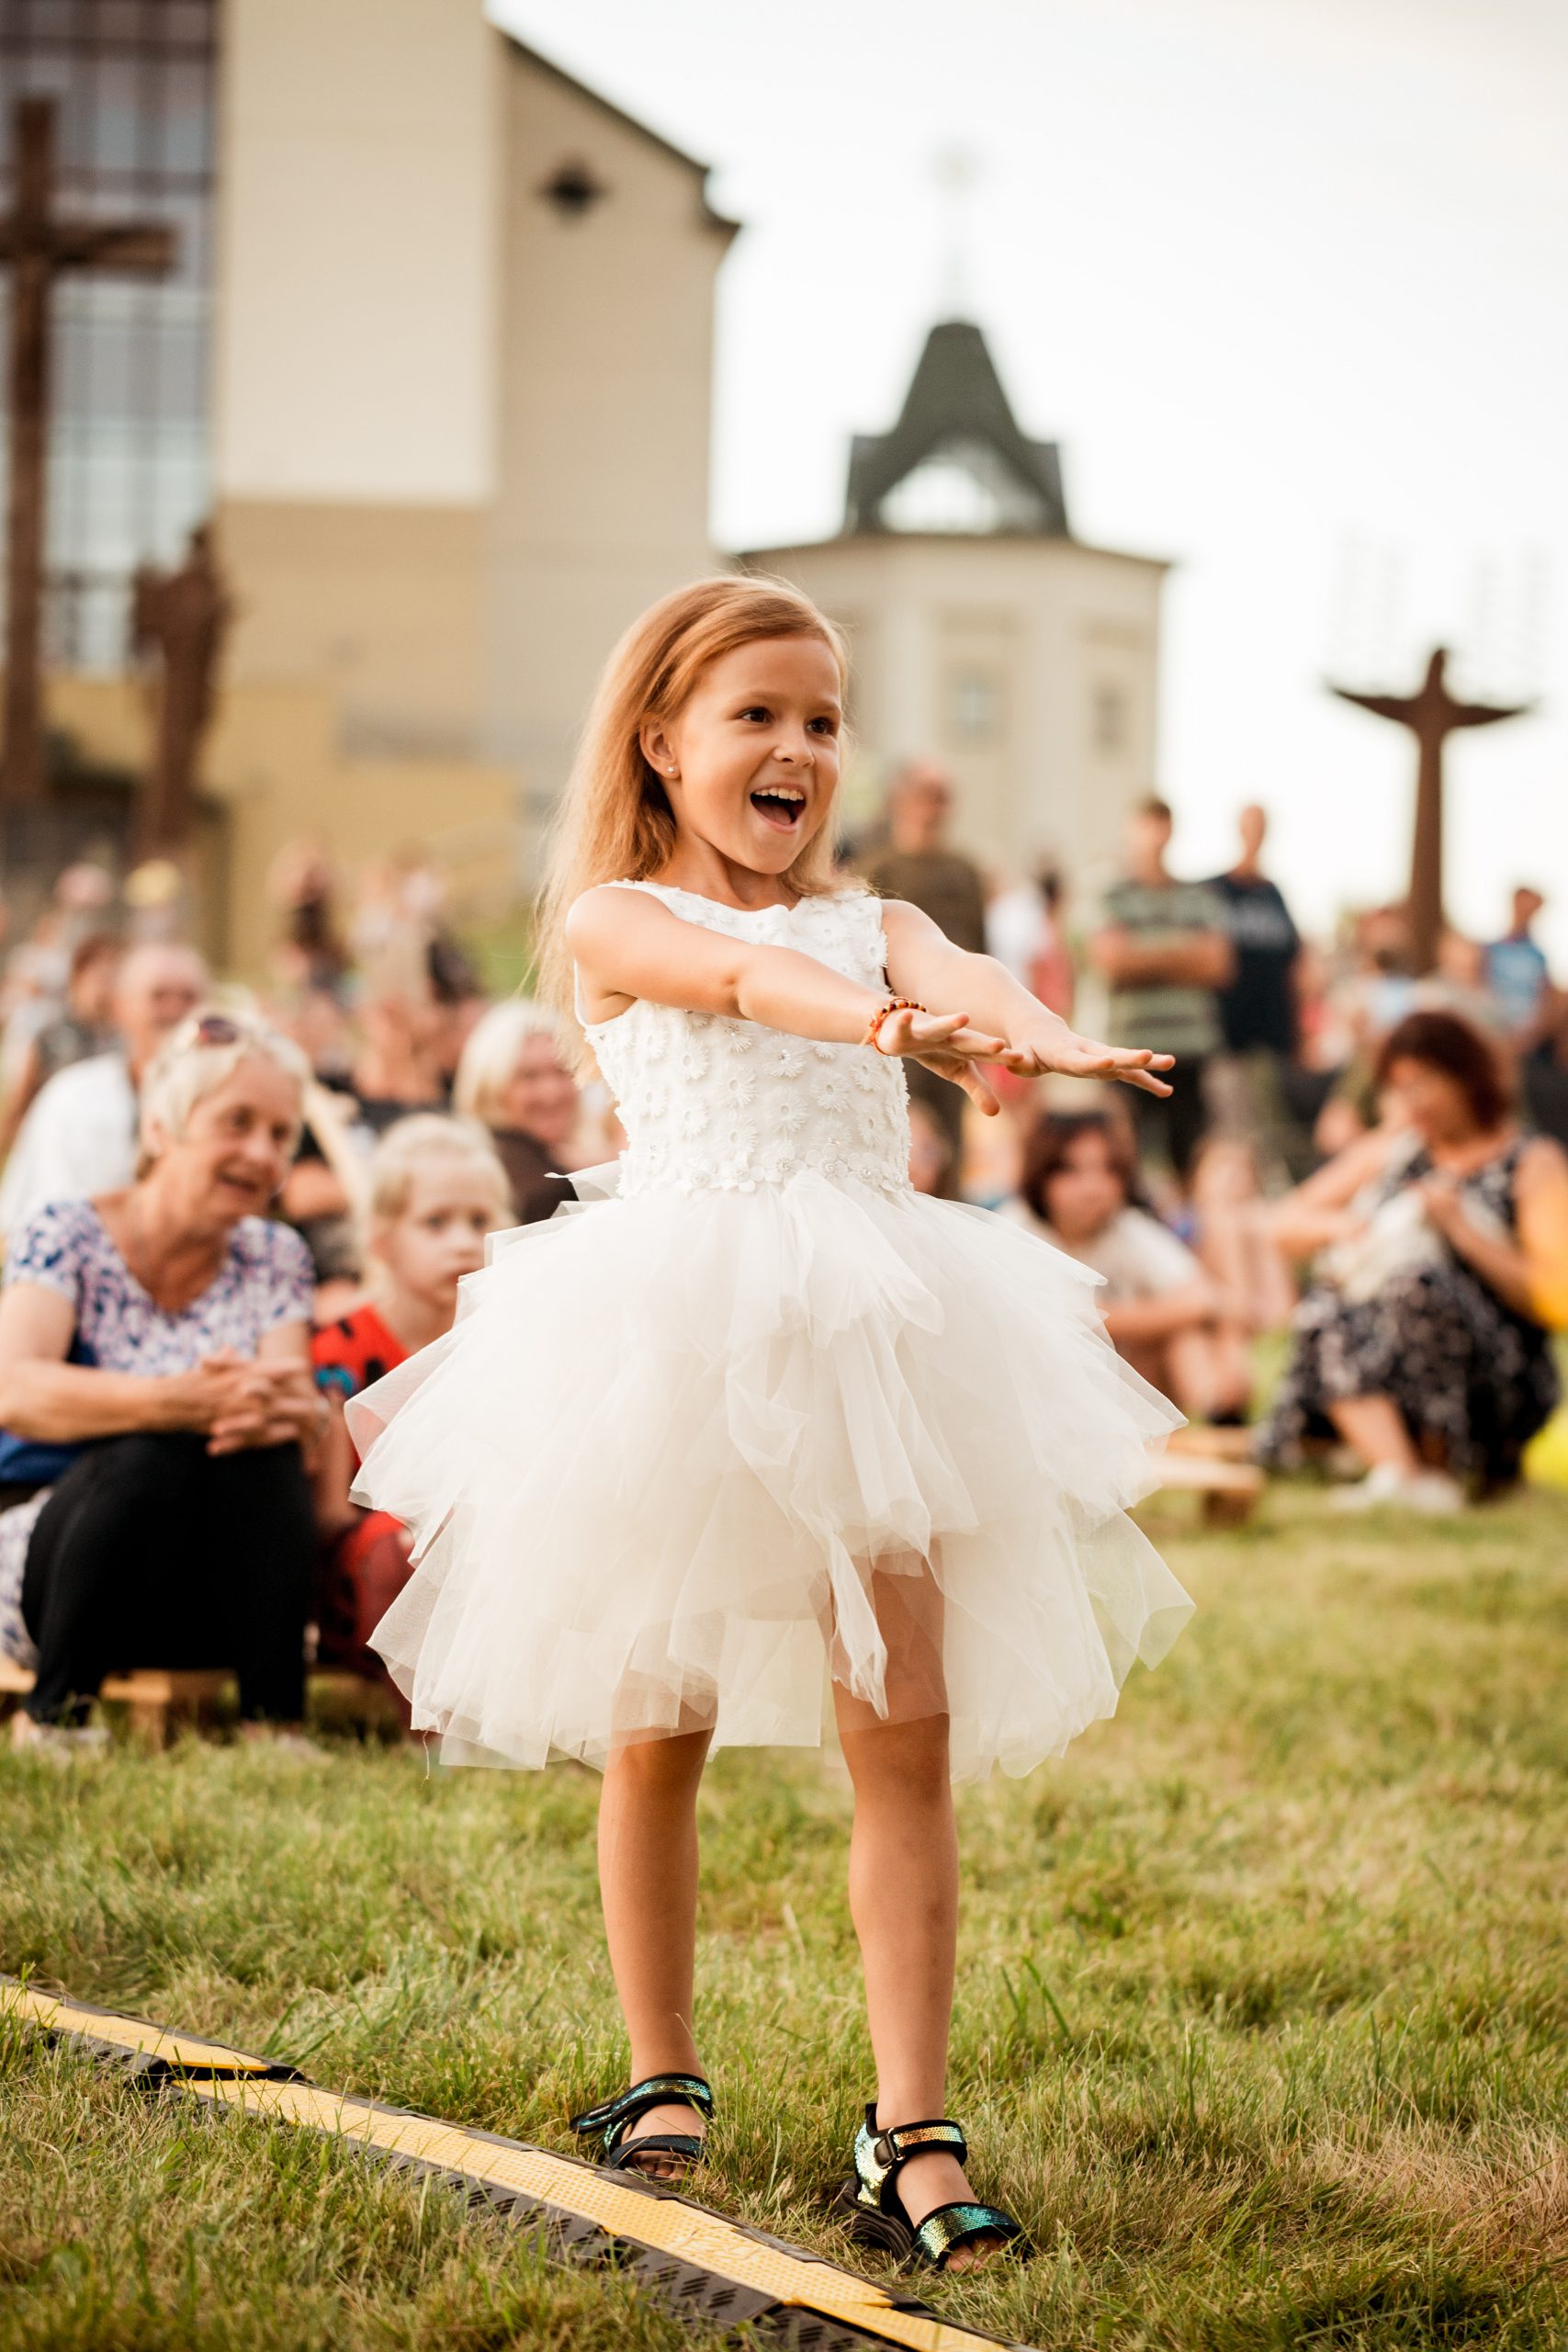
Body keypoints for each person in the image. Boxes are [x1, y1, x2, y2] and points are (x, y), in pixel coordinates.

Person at [346, 576, 1192, 2272]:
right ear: (663, 743)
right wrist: (881, 1026)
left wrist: (1035, 1032)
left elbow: (959, 969)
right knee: (654, 1723)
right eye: (756, 716)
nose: (797, 747)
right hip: (676, 1339)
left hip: (872, 1338)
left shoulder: (875, 921)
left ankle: (913, 2128)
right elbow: (733, 979)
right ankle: (660, 2072)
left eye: (820, 719)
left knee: (904, 1728)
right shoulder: (613, 918)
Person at [0, 1011, 322, 1753]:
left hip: (202, 1591)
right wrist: (175, 1402)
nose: (262, 1153)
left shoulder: (275, 1254)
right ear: (159, 1128)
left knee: (261, 1446)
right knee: (156, 1451)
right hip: (54, 1569)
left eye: (280, 1135)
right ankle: (54, 1720)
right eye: (237, 1122)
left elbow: (287, 1397)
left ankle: (276, 1725)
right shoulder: (65, 1232)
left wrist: (293, 1413)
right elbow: (15, 1390)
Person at [1258, 1010, 1567, 1508]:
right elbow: (1283, 1224)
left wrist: (1463, 1232)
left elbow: (1556, 1301)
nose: (1413, 1101)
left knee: (1416, 1286)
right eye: (1401, 1088)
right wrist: (1349, 1228)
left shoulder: (1532, 1160)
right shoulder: (1397, 1150)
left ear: (1467, 1077)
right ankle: (1400, 1472)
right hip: (1387, 1353)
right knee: (1327, 1304)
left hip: (1501, 1374)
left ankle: (1448, 1464)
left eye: (1425, 1083)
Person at [311, 1117, 512, 1705]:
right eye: (435, 1222)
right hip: (368, 1573)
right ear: (381, 1240)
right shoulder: (341, 1350)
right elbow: (329, 1513)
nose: (463, 1241)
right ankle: (425, 1727)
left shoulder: (503, 1345)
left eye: (479, 1220)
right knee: (392, 1545)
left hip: (479, 1555)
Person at [1009, 1113, 1252, 1422]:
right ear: (1041, 1174)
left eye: (1107, 1169)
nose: (1093, 1187)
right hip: (1042, 1393)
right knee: (1176, 1324)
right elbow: (1081, 1320)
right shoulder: (1015, 1231)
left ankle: (1220, 1414)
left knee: (1184, 1334)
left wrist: (1225, 1340)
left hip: (1118, 1384)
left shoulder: (1123, 1228)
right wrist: (1185, 1310)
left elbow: (1202, 1292)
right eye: (1072, 1170)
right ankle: (1220, 1417)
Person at [0, 941, 208, 1241]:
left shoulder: (230, 1103)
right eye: (158, 996)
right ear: (120, 1006)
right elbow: (36, 1218)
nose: (175, 1010)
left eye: (189, 997)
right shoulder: (71, 1098)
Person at [1089, 798, 1235, 1185]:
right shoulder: (1113, 894)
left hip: (1188, 1050)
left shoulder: (1199, 896)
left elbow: (1218, 964)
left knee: (1191, 1158)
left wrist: (1142, 950)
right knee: (1123, 1157)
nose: (1154, 836)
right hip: (1130, 1048)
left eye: (1161, 825)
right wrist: (1186, 951)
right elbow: (1111, 960)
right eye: (1147, 825)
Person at [863, 762, 988, 1182]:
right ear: (901, 801)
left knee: (951, 1143)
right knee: (903, 1136)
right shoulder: (877, 869)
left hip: (955, 1022)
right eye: (927, 796)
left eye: (942, 798)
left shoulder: (964, 871)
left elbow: (980, 947)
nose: (935, 808)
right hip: (897, 1022)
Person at [1203, 806, 1301, 1170]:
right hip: (1226, 1036)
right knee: (1230, 1131)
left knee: (1269, 1134)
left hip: (1271, 1037)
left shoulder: (1274, 894)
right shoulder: (1215, 890)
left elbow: (1293, 963)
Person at [452, 1001, 583, 1225]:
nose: (552, 1093)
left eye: (562, 1071)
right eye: (529, 1076)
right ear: (490, 1085)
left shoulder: (479, 1158)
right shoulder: (545, 1190)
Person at [0, 931, 121, 1161]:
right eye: (100, 979)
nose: (106, 990)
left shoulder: (123, 1042)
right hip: (56, 1155)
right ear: (78, 979)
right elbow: (19, 1106)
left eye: (113, 980)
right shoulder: (51, 1037)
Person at [1485, 887, 1551, 1053]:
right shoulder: (1491, 950)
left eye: (1531, 909)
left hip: (1528, 1038)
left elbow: (1543, 996)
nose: (1526, 914)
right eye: (1523, 907)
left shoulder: (1538, 956)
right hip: (1494, 1030)